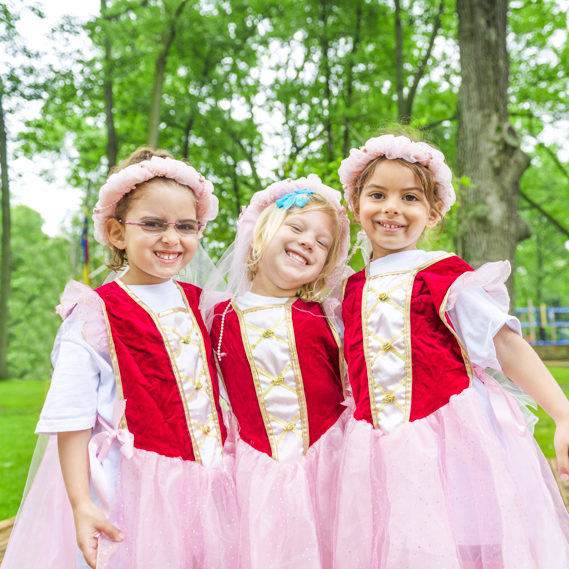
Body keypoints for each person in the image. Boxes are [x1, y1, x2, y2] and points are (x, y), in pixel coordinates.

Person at [334, 134, 569, 568]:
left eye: (410, 197)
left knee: (460, 545)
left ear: (434, 213)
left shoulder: (441, 275)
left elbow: (505, 344)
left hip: (450, 442)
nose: (392, 208)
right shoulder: (349, 289)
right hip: (376, 450)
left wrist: (562, 414)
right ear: (355, 203)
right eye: (377, 194)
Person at [2, 148, 237, 569]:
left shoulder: (200, 303)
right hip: (133, 489)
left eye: (186, 226)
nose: (171, 238)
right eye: (152, 224)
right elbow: (71, 415)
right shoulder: (96, 313)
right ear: (115, 232)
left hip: (206, 479)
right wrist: (80, 502)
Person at [207, 175, 351, 569]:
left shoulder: (329, 316)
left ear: (325, 266)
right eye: (297, 227)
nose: (309, 241)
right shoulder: (215, 319)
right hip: (255, 472)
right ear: (257, 237)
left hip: (332, 464)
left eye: (323, 243)